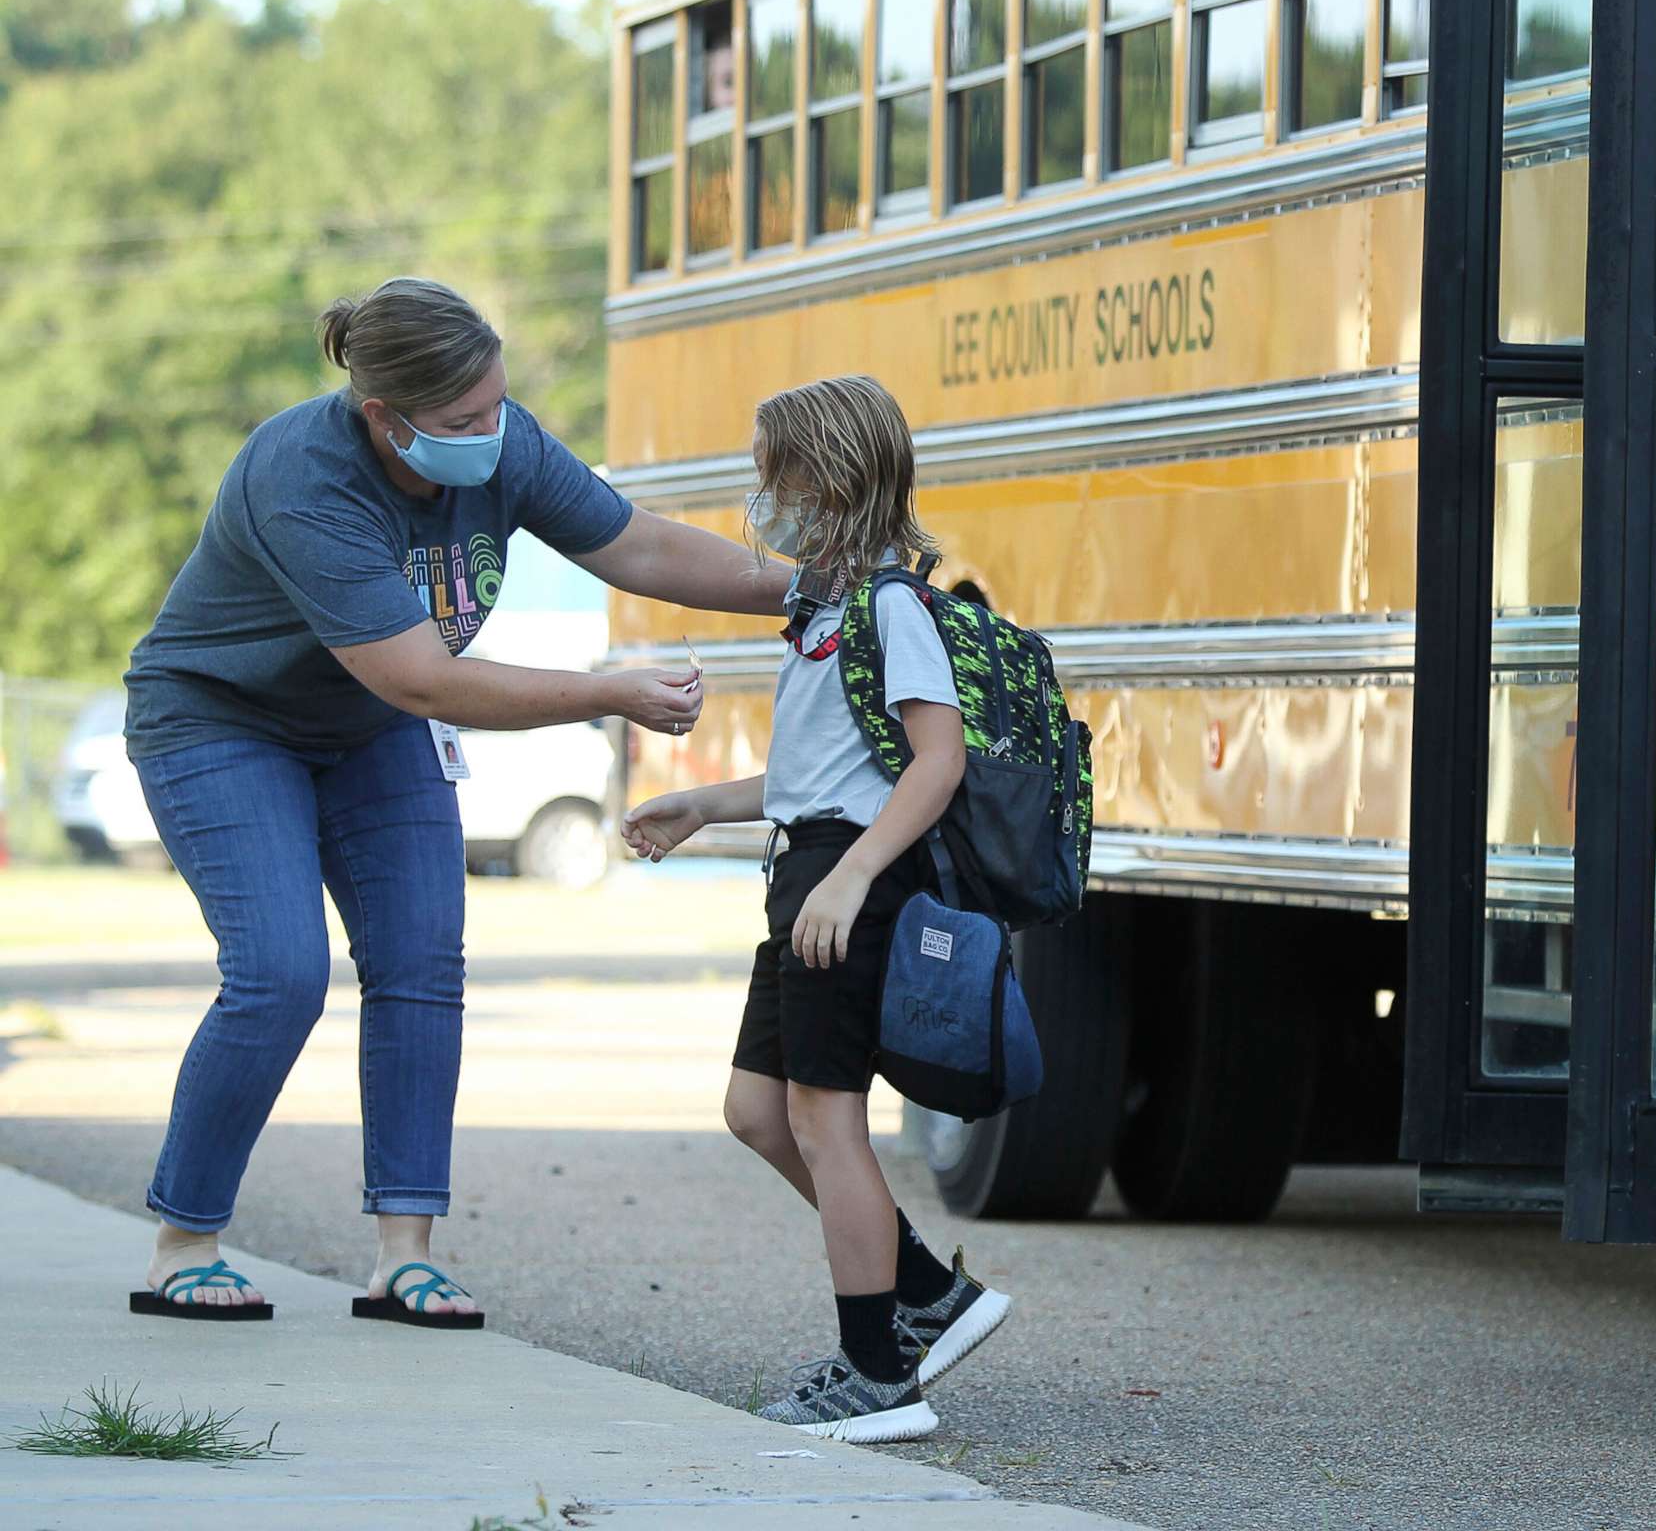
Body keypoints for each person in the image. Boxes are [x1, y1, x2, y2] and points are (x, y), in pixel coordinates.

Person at [122, 276, 794, 1323]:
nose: (491, 436)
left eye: (497, 407)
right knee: (279, 973)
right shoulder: (303, 473)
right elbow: (421, 678)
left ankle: (404, 1254)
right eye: (461, 422)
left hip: (367, 730)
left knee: (423, 961)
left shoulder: (503, 441)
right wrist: (606, 694)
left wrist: (806, 586)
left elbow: (641, 546)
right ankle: (185, 1241)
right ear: (382, 416)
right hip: (224, 721)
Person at [620, 374, 1011, 1444]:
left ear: (831, 482)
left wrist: (850, 877)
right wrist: (706, 802)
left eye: (773, 476)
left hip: (851, 883)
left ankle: (879, 1374)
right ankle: (928, 1292)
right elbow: (815, 771)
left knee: (824, 1118)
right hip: (807, 874)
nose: (762, 501)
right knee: (758, 1111)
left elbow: (936, 764)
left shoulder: (894, 607)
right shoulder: (824, 609)